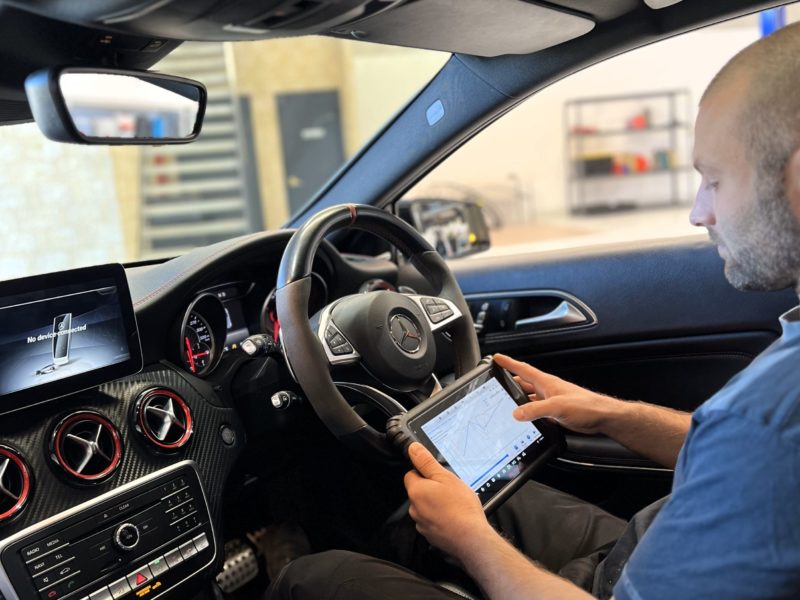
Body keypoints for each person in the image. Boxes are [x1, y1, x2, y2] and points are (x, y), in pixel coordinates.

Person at [267, 21, 800, 600]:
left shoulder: (764, 417)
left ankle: (281, 561)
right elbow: (753, 460)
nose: (700, 214)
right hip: (653, 553)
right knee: (472, 503)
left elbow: (757, 443)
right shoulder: (767, 421)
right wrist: (609, 413)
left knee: (315, 580)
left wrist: (470, 539)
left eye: (714, 181)